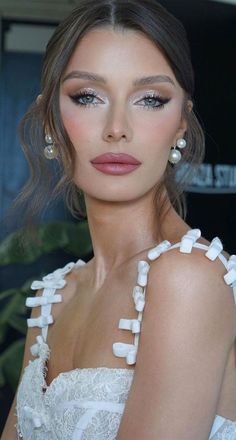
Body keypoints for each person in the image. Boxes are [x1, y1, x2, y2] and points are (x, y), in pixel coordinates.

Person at [2, 0, 236, 439]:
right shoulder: (55, 296)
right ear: (52, 119)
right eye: (87, 96)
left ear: (181, 123)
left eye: (151, 99)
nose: (116, 127)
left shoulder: (188, 279)